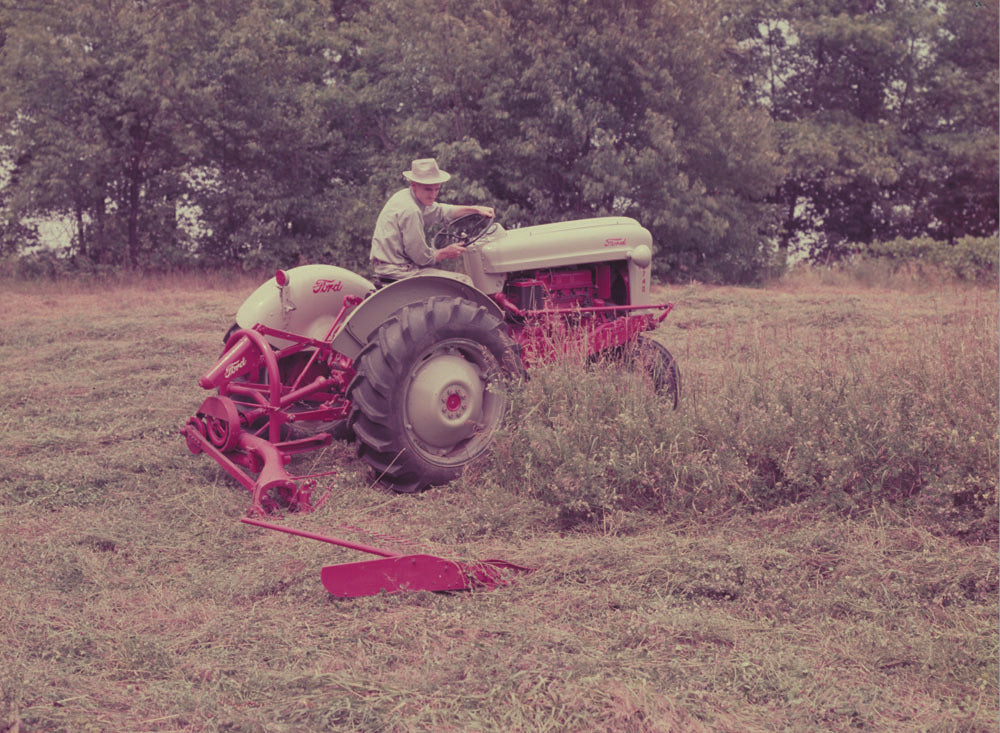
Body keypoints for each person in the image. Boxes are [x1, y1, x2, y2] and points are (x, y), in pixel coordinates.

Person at [369, 158, 494, 283]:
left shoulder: (405, 196)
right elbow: (421, 258)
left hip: (390, 267)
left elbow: (441, 211)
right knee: (464, 282)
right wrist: (445, 253)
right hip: (399, 272)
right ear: (413, 185)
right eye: (428, 189)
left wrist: (475, 209)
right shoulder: (411, 210)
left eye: (437, 189)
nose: (433, 195)